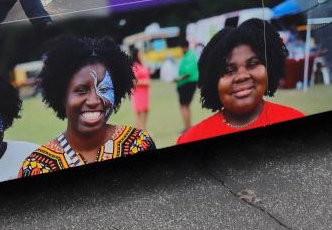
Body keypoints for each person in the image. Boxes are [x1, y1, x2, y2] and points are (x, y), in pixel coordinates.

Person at [18, 36, 156, 175]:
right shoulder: (37, 166)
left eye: (104, 89)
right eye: (81, 90)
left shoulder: (138, 144)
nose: (94, 100)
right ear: (61, 96)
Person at [177, 19, 306, 142]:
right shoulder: (191, 138)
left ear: (269, 67)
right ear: (213, 81)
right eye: (228, 70)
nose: (242, 76)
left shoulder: (293, 118)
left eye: (252, 64)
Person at [174, 42, 200, 132]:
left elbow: (188, 72)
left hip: (187, 83)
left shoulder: (189, 56)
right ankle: (188, 125)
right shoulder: (190, 55)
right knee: (186, 105)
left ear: (184, 47)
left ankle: (187, 127)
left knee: (183, 105)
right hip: (189, 83)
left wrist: (178, 79)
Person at [130, 55, 151, 132]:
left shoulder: (142, 64)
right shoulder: (134, 66)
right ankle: (139, 132)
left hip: (145, 93)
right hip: (138, 93)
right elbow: (133, 81)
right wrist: (145, 82)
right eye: (139, 53)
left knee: (145, 111)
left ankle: (144, 130)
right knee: (139, 113)